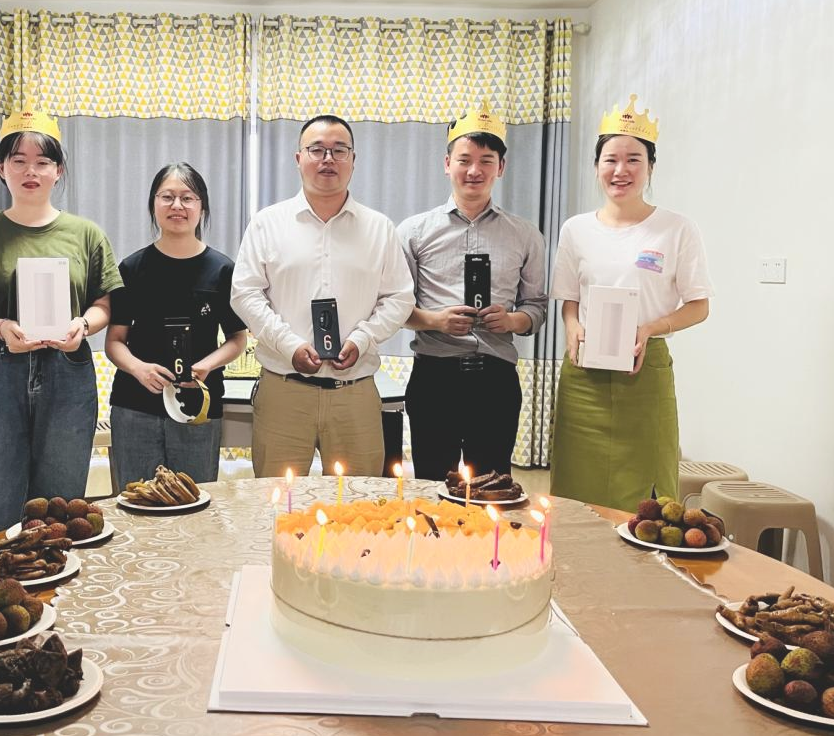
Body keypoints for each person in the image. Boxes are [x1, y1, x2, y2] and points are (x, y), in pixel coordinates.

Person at [0, 101, 123, 539]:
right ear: (1, 168)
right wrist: (1, 328)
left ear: (58, 171)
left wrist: (83, 325)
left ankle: (57, 580)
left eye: (43, 162)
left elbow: (104, 305)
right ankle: (0, 579)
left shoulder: (86, 234)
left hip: (67, 370)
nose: (31, 171)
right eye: (18, 160)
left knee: (61, 504)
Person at [549, 95, 713, 511]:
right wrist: (572, 326)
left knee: (647, 491)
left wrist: (650, 328)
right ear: (597, 166)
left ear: (651, 167)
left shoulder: (676, 229)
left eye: (633, 160)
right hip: (584, 375)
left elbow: (699, 306)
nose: (620, 170)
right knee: (577, 488)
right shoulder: (576, 230)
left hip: (645, 371)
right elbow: (569, 298)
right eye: (610, 160)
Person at [231, 115, 415, 478]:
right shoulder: (267, 223)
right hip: (284, 390)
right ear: (299, 158)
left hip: (355, 392)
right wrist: (289, 345)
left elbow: (399, 298)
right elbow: (245, 293)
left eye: (339, 150)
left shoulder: (379, 228)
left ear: (353, 160)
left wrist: (362, 339)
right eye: (316, 149)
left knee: (358, 502)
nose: (328, 158)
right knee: (277, 502)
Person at [398, 104, 547, 481]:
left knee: (492, 487)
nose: (474, 170)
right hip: (435, 377)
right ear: (447, 163)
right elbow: (396, 306)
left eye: (486, 161)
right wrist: (436, 321)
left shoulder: (525, 234)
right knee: (432, 487)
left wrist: (511, 320)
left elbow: (536, 307)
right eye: (464, 160)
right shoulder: (413, 232)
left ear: (501, 167)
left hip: (496, 380)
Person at [105, 163, 247, 486]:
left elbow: (237, 338)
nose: (177, 206)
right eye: (167, 197)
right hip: (135, 406)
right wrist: (139, 369)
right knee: (137, 500)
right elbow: (114, 341)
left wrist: (207, 365)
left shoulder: (222, 270)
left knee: (195, 501)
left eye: (187, 198)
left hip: (198, 407)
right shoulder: (132, 268)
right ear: (153, 204)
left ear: (202, 207)